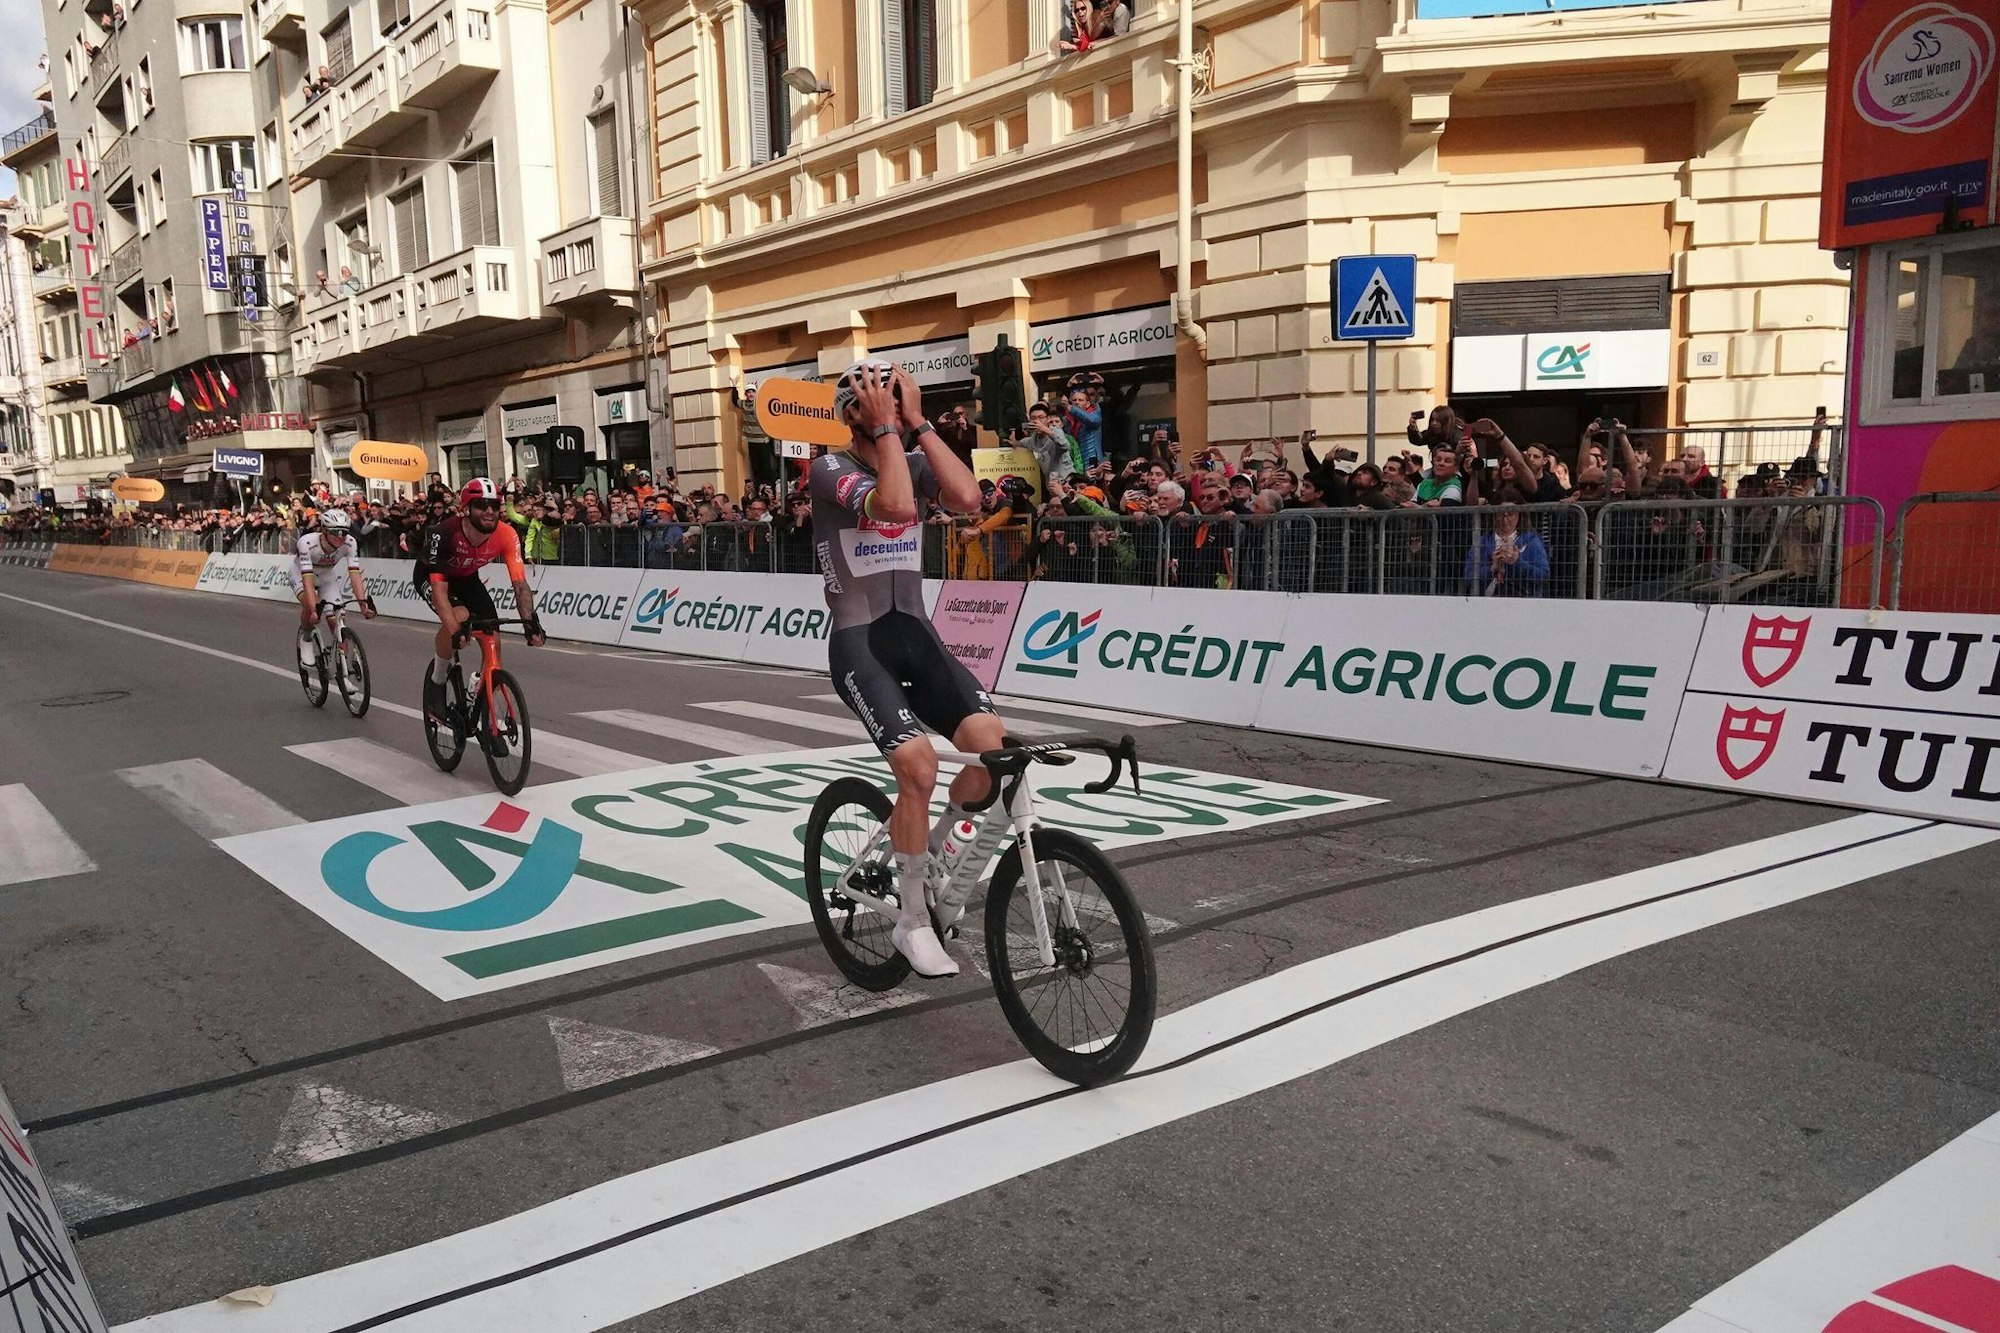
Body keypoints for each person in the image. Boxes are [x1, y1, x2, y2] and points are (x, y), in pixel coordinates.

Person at [810, 361, 1009, 979]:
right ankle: (912, 920)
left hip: (916, 634)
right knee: (918, 767)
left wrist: (919, 423)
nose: (890, 411)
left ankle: (923, 846)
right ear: (855, 414)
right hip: (860, 643)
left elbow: (970, 499)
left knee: (993, 756)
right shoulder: (828, 470)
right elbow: (894, 506)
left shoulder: (911, 451)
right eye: (881, 403)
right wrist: (889, 430)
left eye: (896, 401)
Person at [415, 479, 545, 721]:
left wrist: (530, 622)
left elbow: (520, 584)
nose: (489, 511)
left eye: (494, 506)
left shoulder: (507, 534)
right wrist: (455, 631)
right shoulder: (444, 533)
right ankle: (438, 682)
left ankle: (484, 711)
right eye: (481, 505)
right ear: (466, 508)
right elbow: (439, 590)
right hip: (434, 578)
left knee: (493, 638)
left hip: (466, 579)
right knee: (460, 617)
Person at [289, 508, 376, 663]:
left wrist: (363, 603)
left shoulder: (350, 543)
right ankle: (307, 638)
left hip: (326, 575)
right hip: (302, 573)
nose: (341, 536)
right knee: (311, 608)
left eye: (345, 532)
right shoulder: (307, 543)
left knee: (336, 617)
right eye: (336, 531)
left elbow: (354, 574)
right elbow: (308, 580)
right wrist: (314, 608)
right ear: (324, 530)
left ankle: (342, 668)